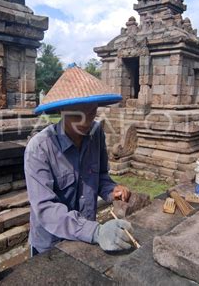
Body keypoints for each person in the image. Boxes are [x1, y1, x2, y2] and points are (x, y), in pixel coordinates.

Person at [24, 65, 133, 255]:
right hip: (51, 243)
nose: (84, 122)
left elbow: (99, 176)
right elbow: (45, 208)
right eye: (76, 114)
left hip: (85, 237)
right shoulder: (39, 148)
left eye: (90, 113)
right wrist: (96, 231)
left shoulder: (96, 132)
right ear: (62, 111)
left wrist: (112, 190)